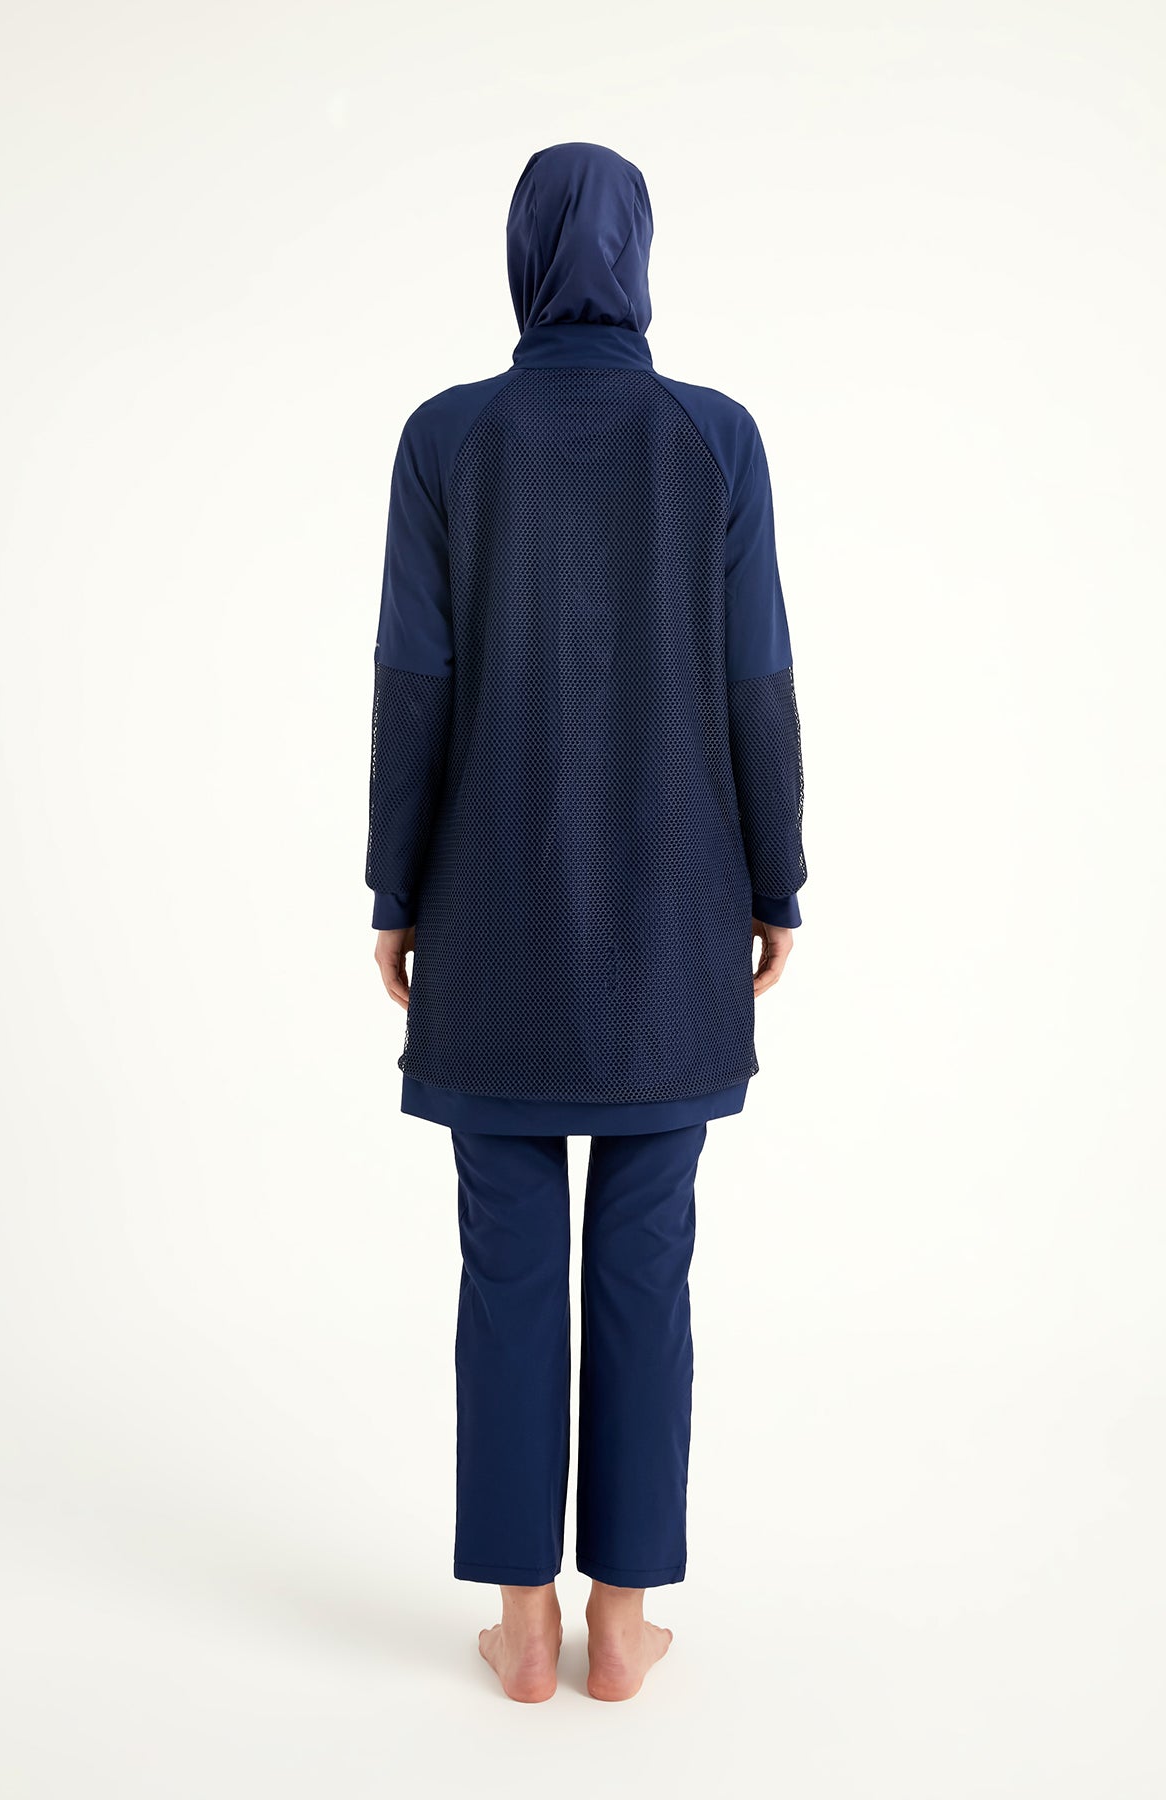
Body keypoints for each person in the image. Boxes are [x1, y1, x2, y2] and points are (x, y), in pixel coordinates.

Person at [365, 141, 807, 1702]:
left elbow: (413, 685)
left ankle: (523, 1625)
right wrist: (775, 883)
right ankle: (624, 1622)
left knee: (506, 1272)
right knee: (643, 1268)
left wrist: (395, 892)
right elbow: (758, 678)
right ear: (639, 253)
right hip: (676, 916)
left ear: (522, 257)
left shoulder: (445, 438)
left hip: (489, 919)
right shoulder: (716, 438)